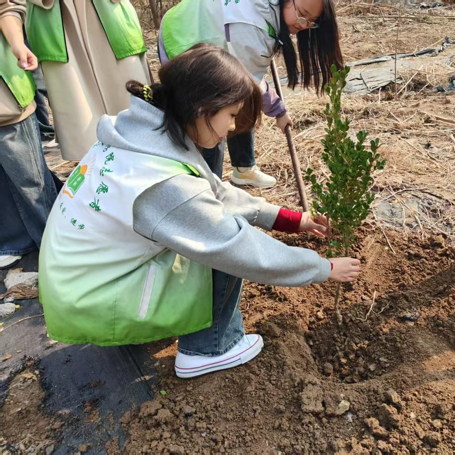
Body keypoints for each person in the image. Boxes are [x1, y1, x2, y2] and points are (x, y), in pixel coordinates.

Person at [39, 44, 360, 379]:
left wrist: (293, 221)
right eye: (232, 114)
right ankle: (210, 348)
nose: (233, 127)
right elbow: (235, 246)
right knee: (219, 239)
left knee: (204, 226)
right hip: (91, 301)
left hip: (77, 283)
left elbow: (212, 193)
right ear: (202, 107)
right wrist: (322, 268)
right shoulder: (164, 183)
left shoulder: (143, 134)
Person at [158, 0, 343, 187]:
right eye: (302, 14)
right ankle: (208, 185)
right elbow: (250, 81)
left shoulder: (268, 16)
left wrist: (277, 108)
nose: (303, 25)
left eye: (311, 22)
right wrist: (278, 110)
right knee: (212, 115)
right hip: (182, 35)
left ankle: (244, 169)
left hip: (212, 30)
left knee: (240, 98)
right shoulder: (253, 31)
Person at [24, 0, 151, 161]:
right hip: (56, 20)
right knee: (78, 105)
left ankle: (149, 156)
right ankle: (98, 167)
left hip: (109, 14)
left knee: (131, 98)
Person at [0, 0, 57, 269]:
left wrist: (17, 44)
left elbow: (7, 6)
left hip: (6, 96)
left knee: (31, 180)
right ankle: (16, 242)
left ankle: (58, 242)